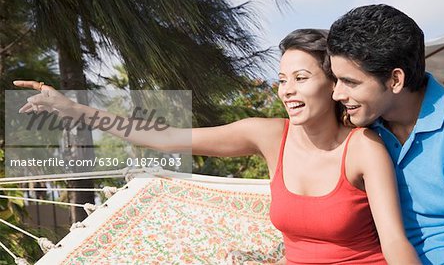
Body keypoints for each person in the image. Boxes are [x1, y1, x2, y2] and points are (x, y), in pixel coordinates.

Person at [13, 29, 419, 264]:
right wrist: (73, 108)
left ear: (333, 85)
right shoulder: (269, 135)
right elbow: (164, 136)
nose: (288, 91)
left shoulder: (364, 148)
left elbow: (395, 243)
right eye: (281, 79)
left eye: (301, 77)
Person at [328, 4, 444, 264]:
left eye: (350, 82)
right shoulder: (357, 129)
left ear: (395, 80)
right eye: (336, 79)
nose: (337, 94)